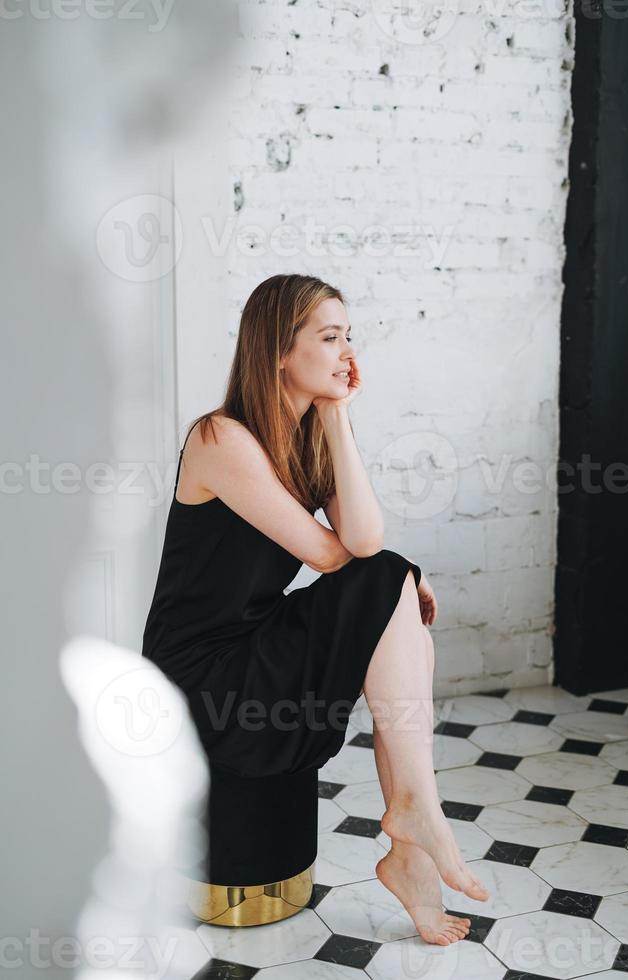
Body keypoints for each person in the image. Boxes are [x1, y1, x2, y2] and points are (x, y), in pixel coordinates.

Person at [142, 273, 490, 944]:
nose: (345, 354)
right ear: (277, 349)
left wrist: (336, 414)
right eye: (329, 338)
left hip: (254, 645)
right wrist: (393, 583)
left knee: (395, 593)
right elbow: (339, 559)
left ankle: (411, 846)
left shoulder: (309, 439)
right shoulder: (221, 438)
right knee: (390, 580)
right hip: (200, 672)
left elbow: (362, 538)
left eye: (347, 337)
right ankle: (416, 818)